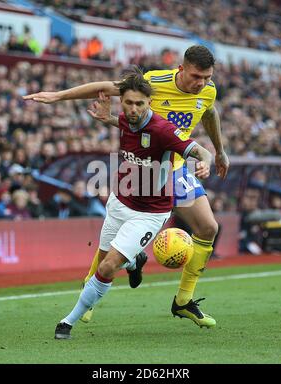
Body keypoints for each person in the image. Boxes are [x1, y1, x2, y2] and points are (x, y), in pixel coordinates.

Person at [24, 45, 229, 328]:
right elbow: (107, 87)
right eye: (196, 76)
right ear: (181, 69)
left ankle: (183, 301)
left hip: (176, 167)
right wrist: (59, 96)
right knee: (114, 230)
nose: (202, 83)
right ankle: (90, 287)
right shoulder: (154, 83)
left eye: (207, 77)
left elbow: (209, 112)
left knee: (208, 228)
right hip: (146, 168)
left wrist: (219, 150)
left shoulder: (207, 90)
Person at [54, 68, 213, 339]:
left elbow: (197, 149)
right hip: (119, 201)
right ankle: (133, 262)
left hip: (150, 213)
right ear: (122, 101)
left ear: (149, 102)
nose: (134, 108)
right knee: (104, 258)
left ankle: (68, 322)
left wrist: (206, 160)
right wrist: (107, 119)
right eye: (128, 103)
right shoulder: (127, 120)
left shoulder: (164, 130)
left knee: (105, 268)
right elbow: (124, 122)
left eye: (140, 103)